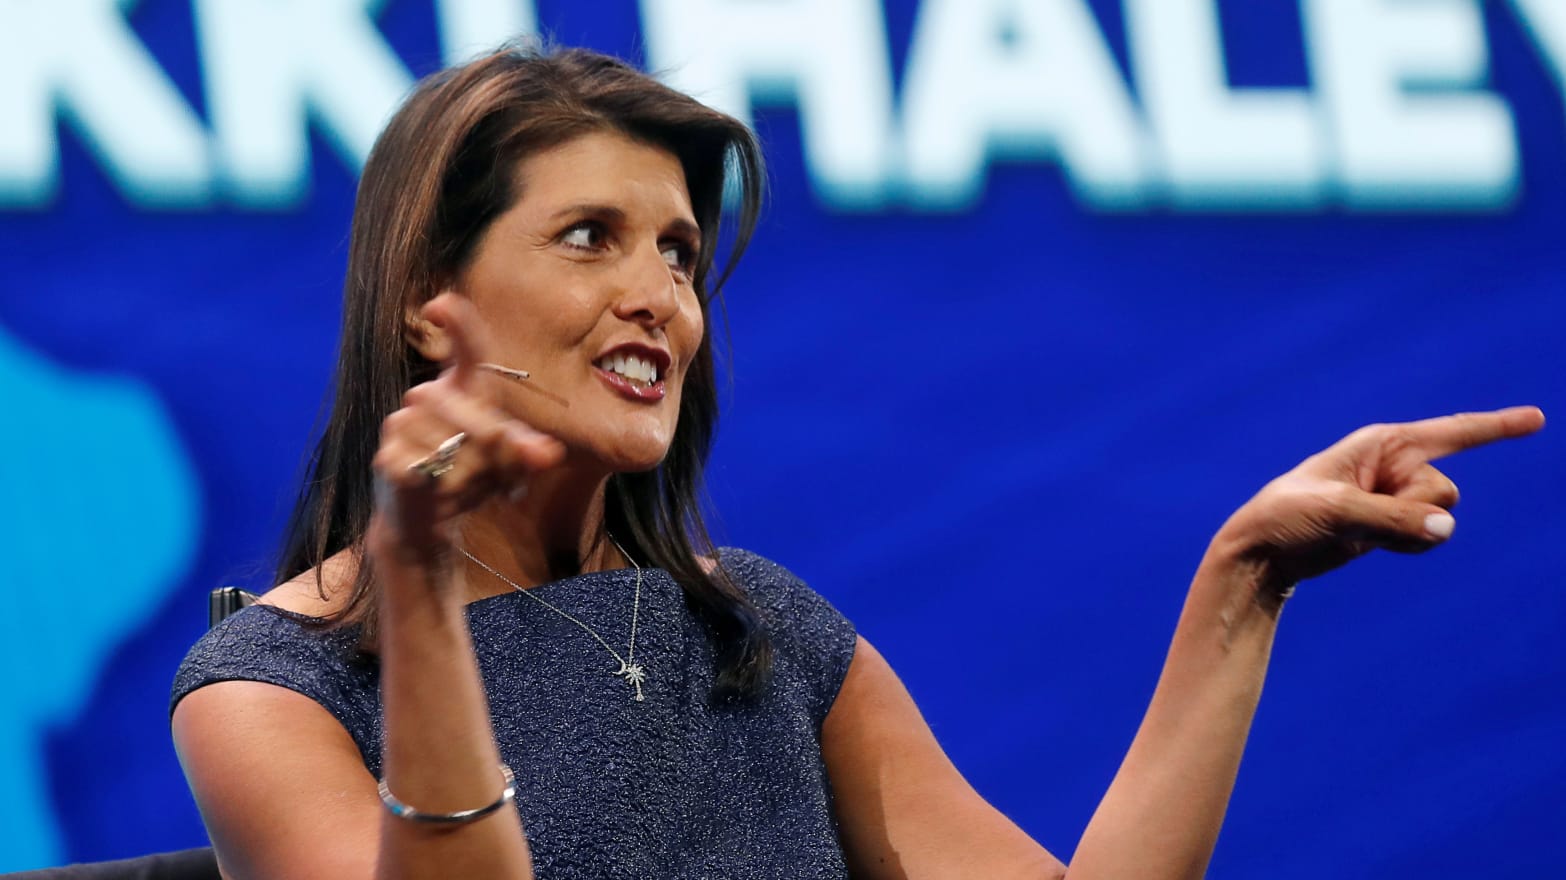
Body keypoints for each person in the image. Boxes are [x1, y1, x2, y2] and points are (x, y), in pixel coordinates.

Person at [168, 44, 1544, 880]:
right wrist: (412, 596)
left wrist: (1241, 582)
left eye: (680, 254)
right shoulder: (270, 688)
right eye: (591, 235)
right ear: (425, 295)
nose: (658, 295)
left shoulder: (755, 628)